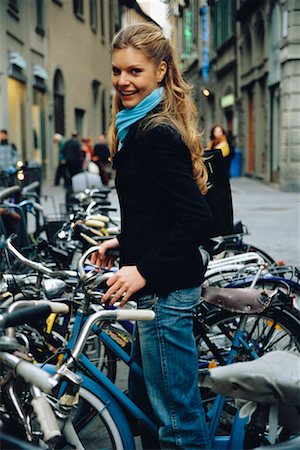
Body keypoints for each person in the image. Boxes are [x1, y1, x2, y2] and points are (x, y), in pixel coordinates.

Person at [91, 23, 216, 449]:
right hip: (156, 286)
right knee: (147, 406)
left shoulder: (153, 132)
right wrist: (124, 244)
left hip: (166, 291)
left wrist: (142, 269)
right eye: (116, 71)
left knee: (177, 420)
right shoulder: (137, 125)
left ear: (160, 71)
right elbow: (159, 212)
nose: (123, 81)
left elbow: (197, 220)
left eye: (135, 71)